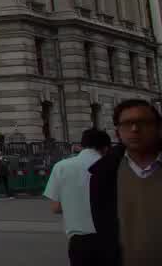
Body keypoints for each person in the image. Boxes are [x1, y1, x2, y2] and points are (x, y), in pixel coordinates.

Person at [88, 99, 162, 266]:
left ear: (158, 128)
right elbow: (104, 232)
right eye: (127, 123)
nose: (135, 129)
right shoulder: (104, 174)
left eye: (143, 122)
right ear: (118, 132)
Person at [45, 128, 112, 265]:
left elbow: (55, 207)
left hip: (79, 240)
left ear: (81, 145)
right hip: (110, 238)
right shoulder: (113, 165)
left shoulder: (61, 167)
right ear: (106, 148)